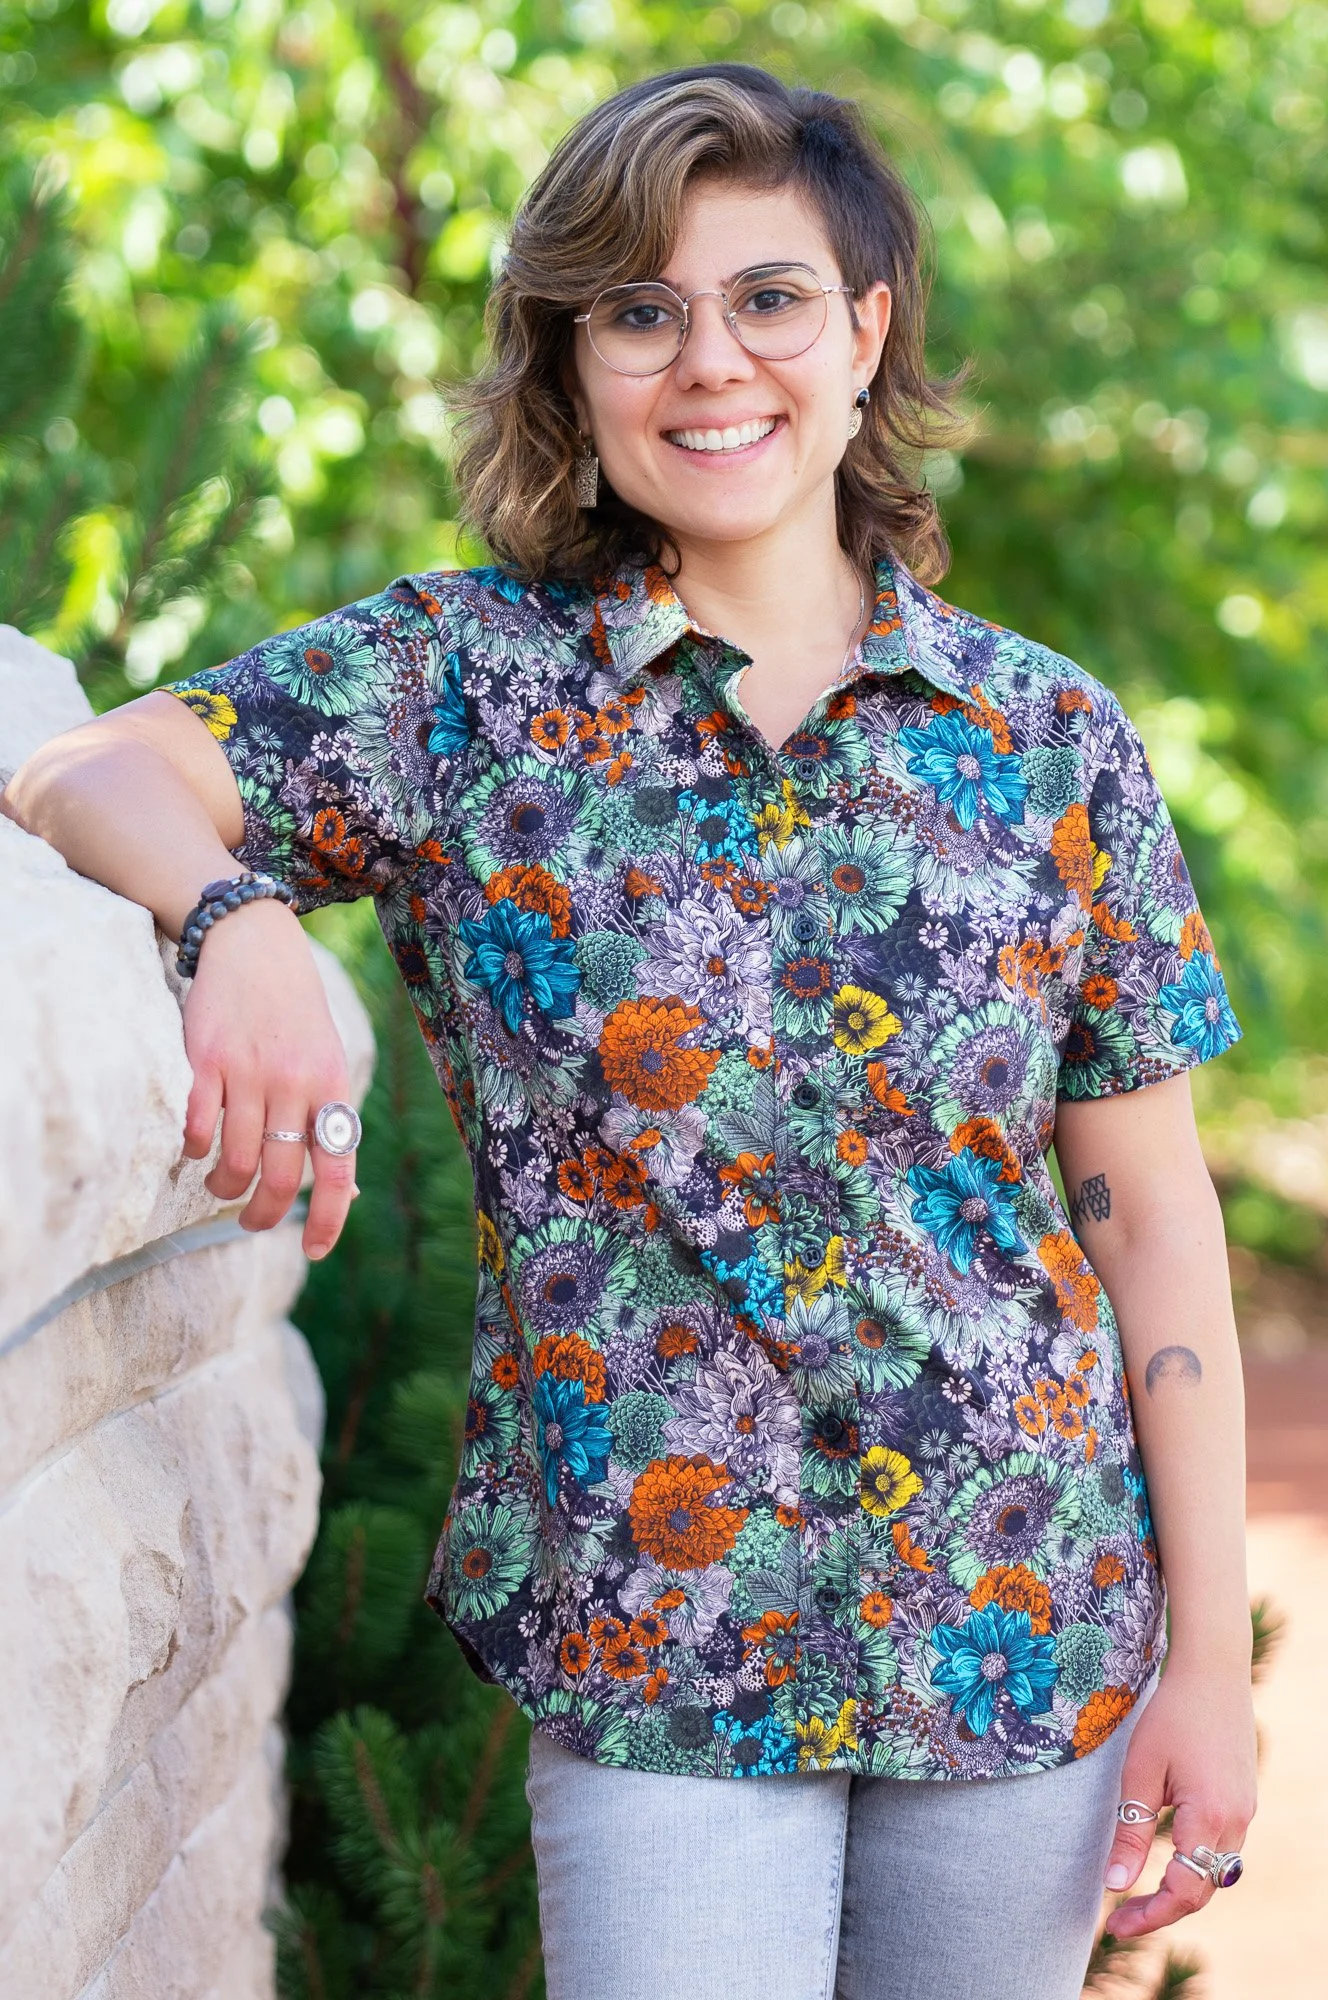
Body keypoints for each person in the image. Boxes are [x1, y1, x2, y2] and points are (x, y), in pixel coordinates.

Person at [3, 63, 1255, 2000]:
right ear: (572, 364)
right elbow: (83, 763)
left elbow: (1154, 1223)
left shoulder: (1050, 740)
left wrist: (1200, 1669)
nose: (707, 362)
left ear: (863, 333)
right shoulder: (452, 684)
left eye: (765, 297)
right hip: (653, 1641)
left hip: (1025, 1623)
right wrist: (236, 917)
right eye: (638, 311)